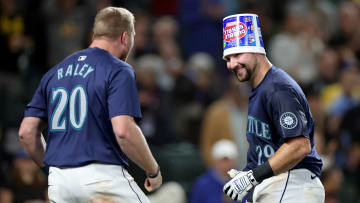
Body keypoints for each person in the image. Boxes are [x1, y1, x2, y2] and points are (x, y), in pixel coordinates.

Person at [18, 7, 162, 203]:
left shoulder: (53, 73)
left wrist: (52, 169)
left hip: (59, 183)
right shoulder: (118, 69)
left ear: (96, 34)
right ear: (124, 37)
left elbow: (26, 133)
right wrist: (153, 170)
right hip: (102, 179)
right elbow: (124, 131)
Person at [221, 14, 324, 202]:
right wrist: (246, 174)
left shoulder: (277, 88)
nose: (232, 64)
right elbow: (267, 148)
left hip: (293, 183)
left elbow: (300, 145)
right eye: (228, 58)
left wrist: (252, 177)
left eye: (237, 54)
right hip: (278, 184)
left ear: (256, 50)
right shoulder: (259, 89)